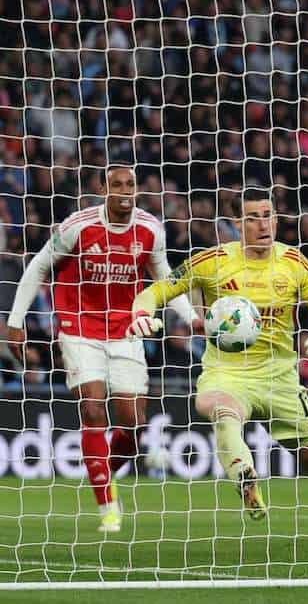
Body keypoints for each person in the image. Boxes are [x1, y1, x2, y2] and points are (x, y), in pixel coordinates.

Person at [127, 187, 308, 547]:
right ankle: (244, 474)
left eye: (267, 215)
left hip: (280, 378)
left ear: (276, 219)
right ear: (237, 223)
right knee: (217, 407)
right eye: (253, 217)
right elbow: (155, 291)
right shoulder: (212, 261)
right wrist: (142, 314)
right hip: (228, 372)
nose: (262, 224)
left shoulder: (294, 263)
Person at [5, 166, 198, 533]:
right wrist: (16, 322)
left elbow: (165, 279)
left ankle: (101, 473)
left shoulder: (150, 229)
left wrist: (192, 319)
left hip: (126, 330)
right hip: (79, 327)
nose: (125, 191)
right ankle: (107, 505)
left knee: (134, 424)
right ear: (103, 189)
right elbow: (38, 267)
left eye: (130, 184)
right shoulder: (79, 226)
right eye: (116, 184)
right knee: (93, 409)